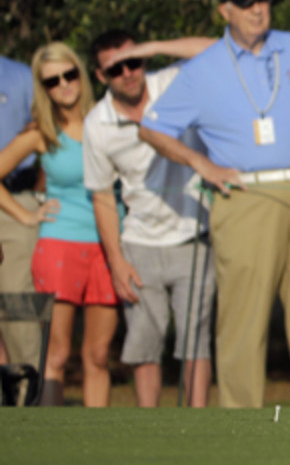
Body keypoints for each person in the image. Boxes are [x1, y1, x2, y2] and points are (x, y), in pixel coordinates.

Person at [139, 0, 290, 408]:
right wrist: (201, 164)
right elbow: (152, 129)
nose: (258, 10)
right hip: (246, 196)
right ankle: (241, 426)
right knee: (243, 321)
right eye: (247, 3)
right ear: (224, 11)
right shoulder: (203, 67)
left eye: (263, 0)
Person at [83, 30, 217, 408]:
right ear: (100, 76)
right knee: (145, 345)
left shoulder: (171, 82)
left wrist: (156, 47)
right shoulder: (97, 123)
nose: (128, 73)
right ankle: (149, 428)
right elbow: (102, 195)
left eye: (134, 61)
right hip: (139, 242)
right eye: (116, 68)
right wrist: (116, 260)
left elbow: (220, 50)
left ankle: (199, 427)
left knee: (196, 341)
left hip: (194, 234)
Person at [0, 43, 116, 406]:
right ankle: (51, 441)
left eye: (70, 74)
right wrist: (26, 215)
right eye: (52, 81)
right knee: (56, 354)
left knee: (98, 356)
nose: (64, 85)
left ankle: (98, 447)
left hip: (109, 246)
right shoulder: (42, 132)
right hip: (60, 243)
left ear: (82, 73)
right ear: (43, 88)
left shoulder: (108, 118)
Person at [0, 54, 39, 374]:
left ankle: (28, 396)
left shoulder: (21, 76)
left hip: (13, 200)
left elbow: (47, 133)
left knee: (16, 305)